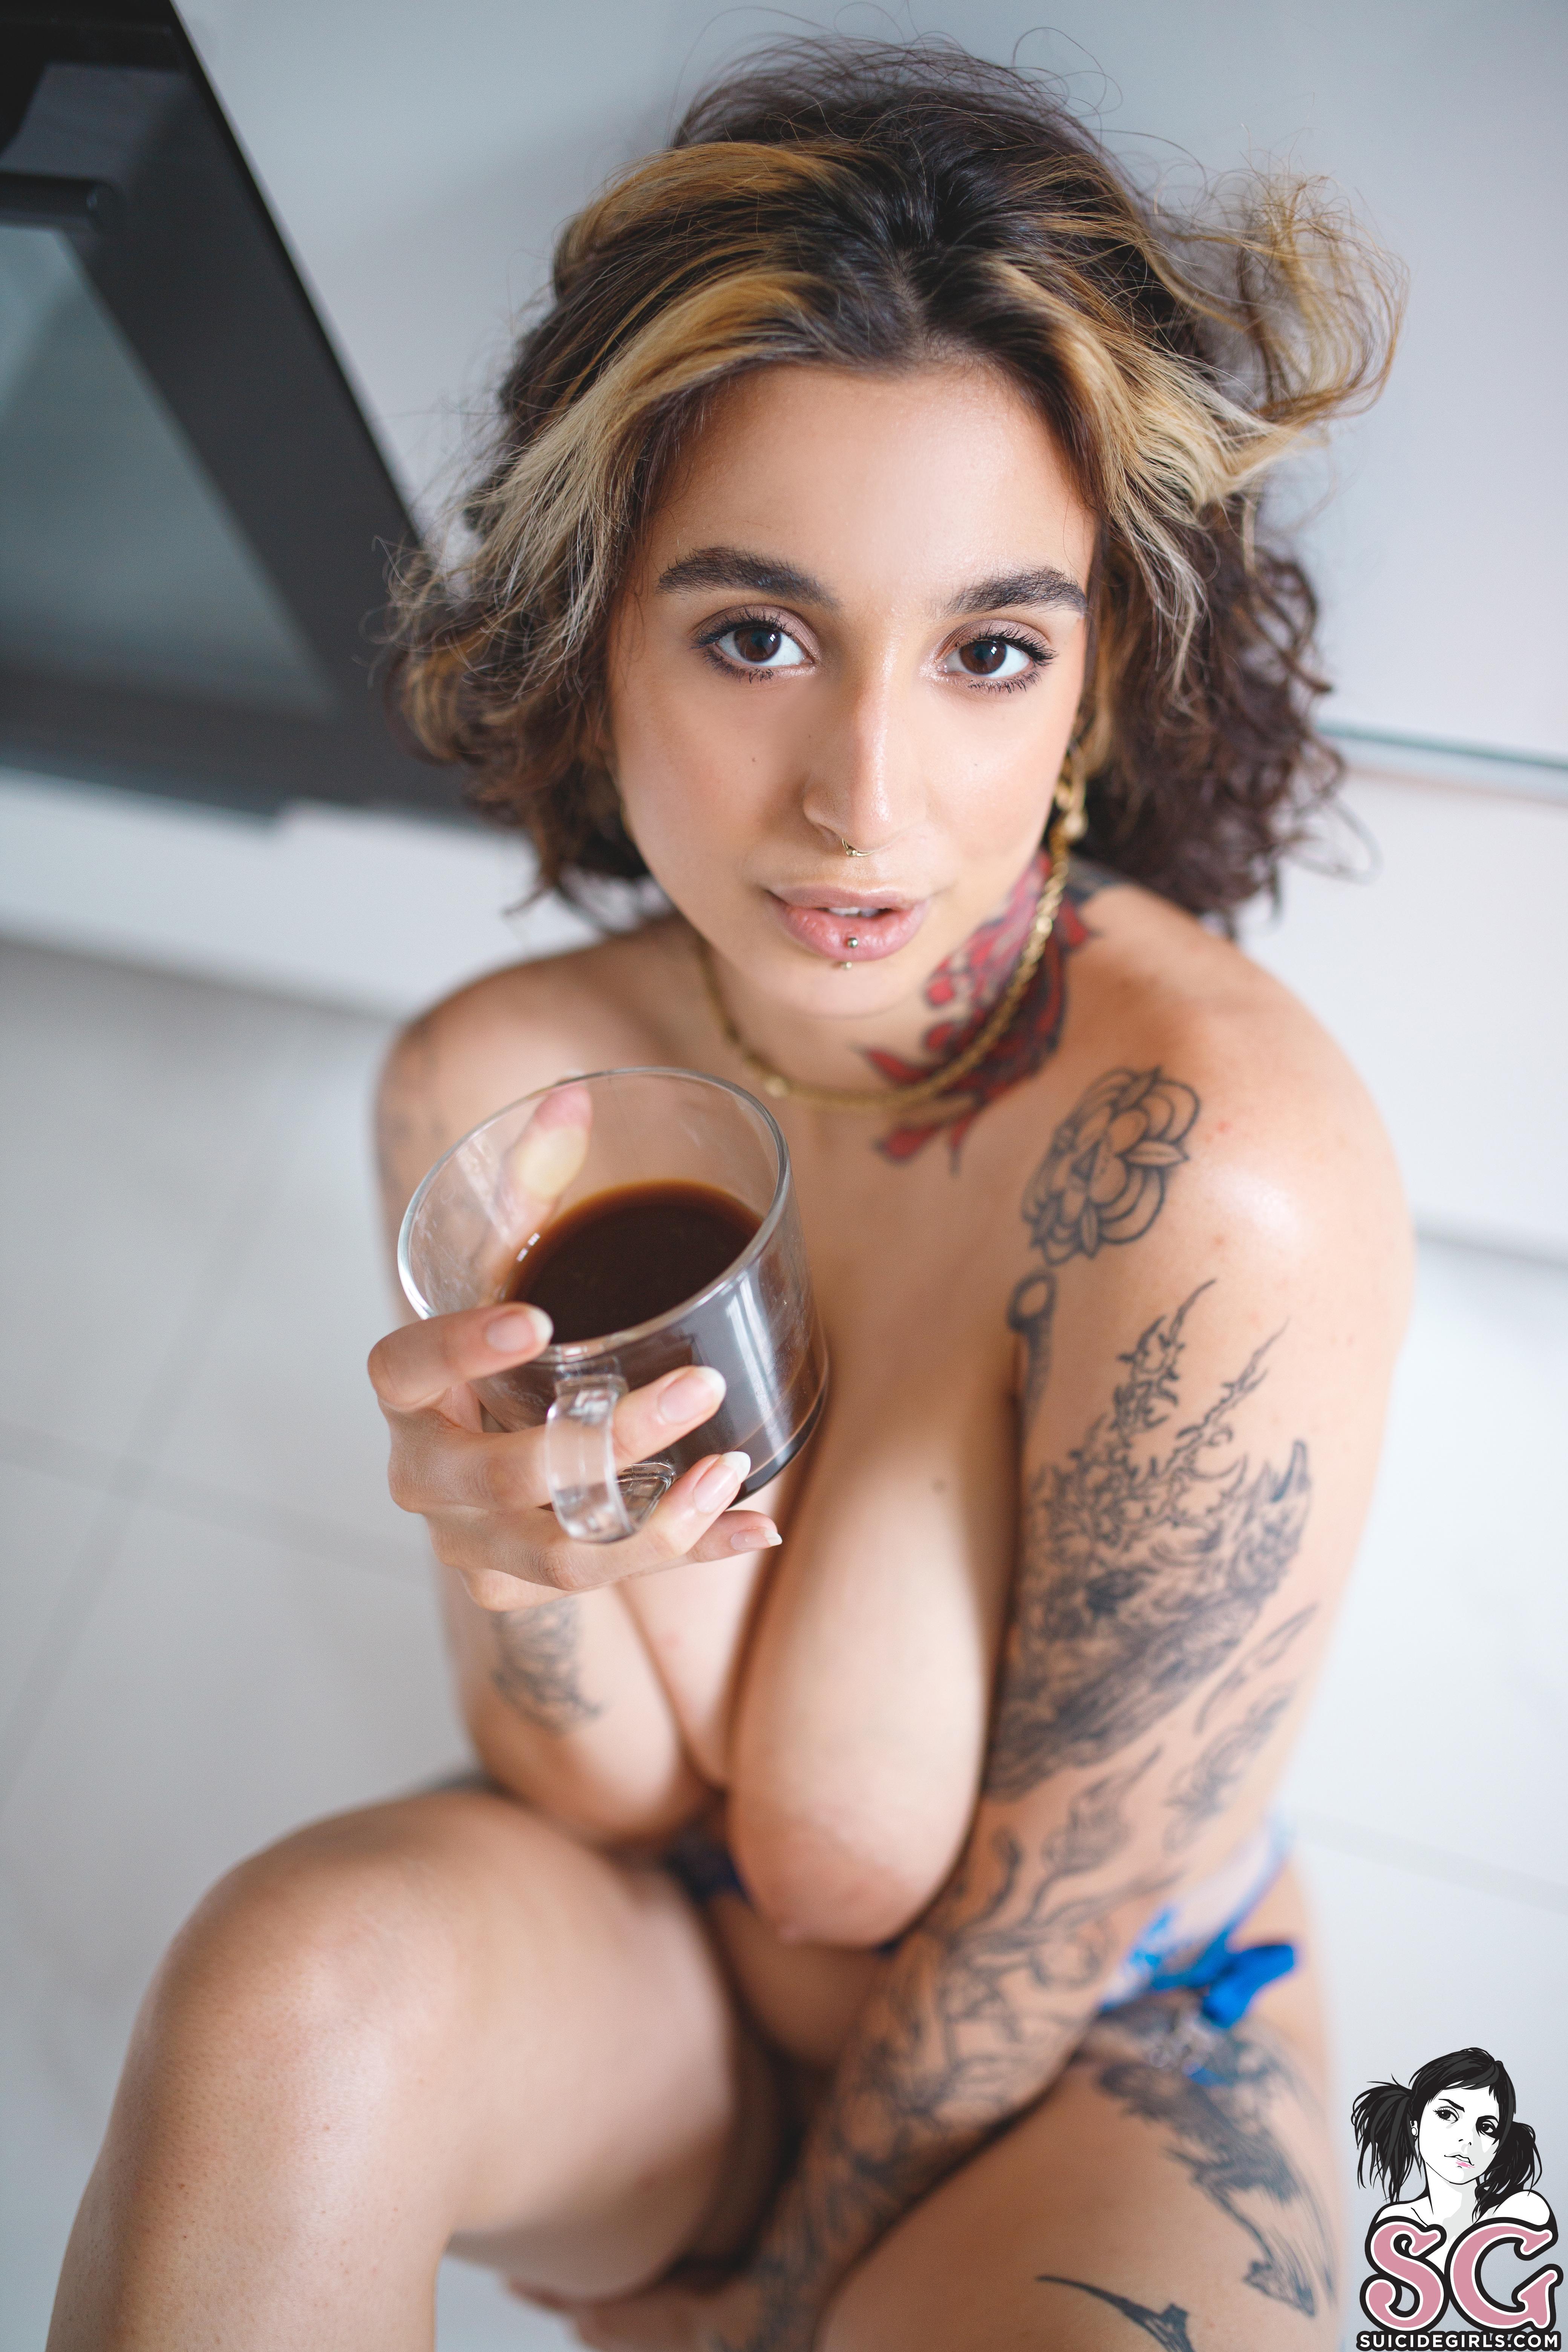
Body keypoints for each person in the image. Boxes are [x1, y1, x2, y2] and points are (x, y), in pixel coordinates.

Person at [49, 38, 1412, 2352]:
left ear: (1089, 693)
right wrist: (512, 1563)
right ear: (598, 637)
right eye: (756, 634)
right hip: (662, 1968)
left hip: (1075, 2056)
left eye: (987, 649)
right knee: (285, 1995)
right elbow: (588, 1787)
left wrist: (759, 2307)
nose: (860, 796)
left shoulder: (1213, 1176)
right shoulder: (508, 1096)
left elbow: (1038, 1933)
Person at [1354, 2049, 1551, 2260]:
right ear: (1415, 2124)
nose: (1468, 2139)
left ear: (1499, 2146)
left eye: (1486, 2128)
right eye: (1447, 2115)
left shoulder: (1521, 2211)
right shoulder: (1397, 2223)